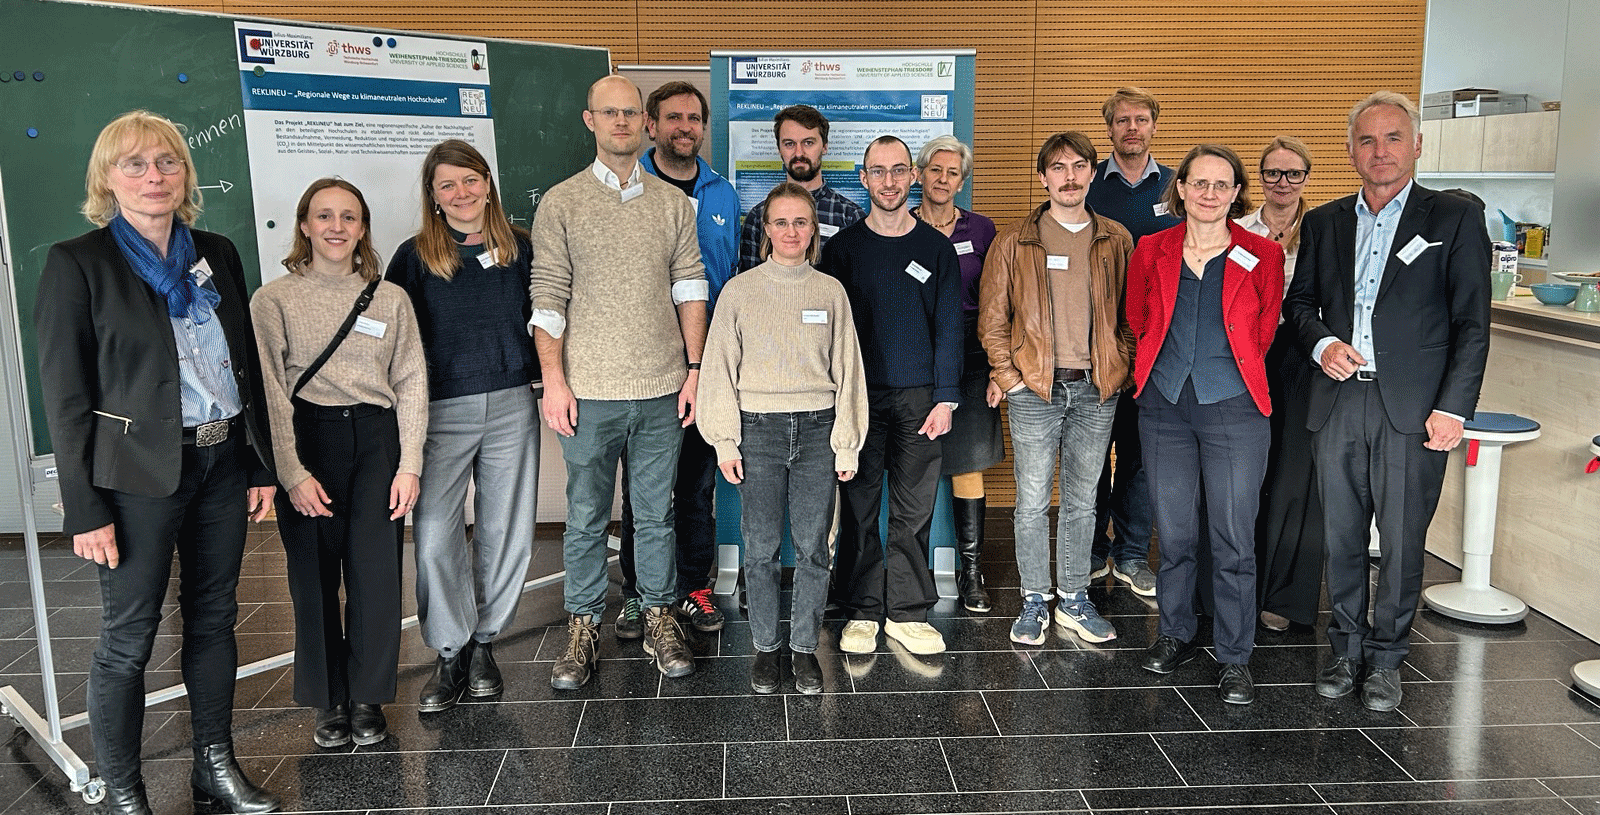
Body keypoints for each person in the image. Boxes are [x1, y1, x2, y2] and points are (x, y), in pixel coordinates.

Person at [34, 110, 281, 815]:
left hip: (221, 462)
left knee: (214, 619)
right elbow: (65, 396)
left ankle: (214, 767)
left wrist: (259, 462)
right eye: (135, 164)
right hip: (134, 478)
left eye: (168, 162)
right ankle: (124, 791)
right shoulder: (78, 263)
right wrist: (84, 507)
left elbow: (242, 363)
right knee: (129, 638)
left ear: (185, 174)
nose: (154, 176)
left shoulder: (217, 252)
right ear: (107, 179)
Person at [1285, 91, 1491, 712]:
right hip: (1338, 401)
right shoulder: (1323, 222)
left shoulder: (1453, 219)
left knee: (1402, 540)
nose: (1380, 151)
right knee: (1341, 535)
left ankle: (1386, 658)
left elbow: (1472, 323)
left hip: (1414, 409)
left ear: (1417, 145)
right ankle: (1345, 649)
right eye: (1367, 140)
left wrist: (1454, 407)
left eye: (1393, 137)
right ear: (1351, 151)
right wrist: (1322, 343)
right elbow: (1300, 305)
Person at [530, 75, 708, 689]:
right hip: (588, 392)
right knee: (585, 519)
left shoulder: (671, 204)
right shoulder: (561, 203)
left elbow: (690, 285)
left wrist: (694, 370)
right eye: (610, 113)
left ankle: (659, 616)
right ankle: (583, 628)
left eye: (631, 112)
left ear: (645, 123)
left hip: (662, 389)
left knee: (656, 515)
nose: (622, 122)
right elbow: (548, 297)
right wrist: (554, 380)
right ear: (591, 120)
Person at [253, 178, 427, 747]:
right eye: (324, 216)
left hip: (376, 441)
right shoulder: (272, 300)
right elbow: (270, 393)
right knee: (313, 578)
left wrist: (410, 464)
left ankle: (368, 695)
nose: (336, 227)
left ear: (362, 228)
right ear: (304, 226)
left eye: (348, 217)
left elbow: (411, 381)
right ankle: (328, 699)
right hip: (308, 439)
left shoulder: (390, 298)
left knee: (376, 576)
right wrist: (290, 472)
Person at [385, 139, 540, 713]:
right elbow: (396, 339)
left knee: (507, 530)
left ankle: (484, 645)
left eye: (470, 180)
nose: (461, 193)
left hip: (512, 404)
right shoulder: (413, 257)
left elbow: (549, 318)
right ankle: (449, 650)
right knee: (433, 535)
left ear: (488, 183)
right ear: (433, 195)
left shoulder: (522, 248)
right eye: (447, 185)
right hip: (438, 411)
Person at [1128, 144, 1284, 706]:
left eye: (1222, 184)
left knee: (1233, 537)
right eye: (1199, 183)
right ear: (1182, 188)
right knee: (1174, 534)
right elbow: (1137, 318)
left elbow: (1264, 329)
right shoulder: (1152, 249)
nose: (1209, 194)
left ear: (1237, 192)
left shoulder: (1262, 254)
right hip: (1164, 406)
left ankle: (1235, 655)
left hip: (1235, 408)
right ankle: (1175, 632)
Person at [698, 182, 868, 694]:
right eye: (781, 222)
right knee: (761, 548)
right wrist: (725, 441)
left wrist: (847, 441)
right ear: (766, 230)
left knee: (814, 547)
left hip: (818, 430)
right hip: (758, 431)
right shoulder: (739, 291)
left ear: (813, 229)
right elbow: (718, 369)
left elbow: (849, 369)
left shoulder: (830, 291)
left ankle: (803, 648)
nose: (791, 231)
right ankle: (767, 648)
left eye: (800, 222)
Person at [978, 131, 1135, 646]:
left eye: (1079, 166)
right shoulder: (1015, 240)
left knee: (1082, 502)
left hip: (1096, 391)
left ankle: (1072, 598)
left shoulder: (1116, 238)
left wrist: (1122, 370)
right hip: (1035, 392)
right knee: (1029, 502)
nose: (1070, 177)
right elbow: (993, 319)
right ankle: (1033, 599)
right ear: (1043, 177)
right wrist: (1010, 379)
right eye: (1059, 168)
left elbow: (1131, 316)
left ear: (1092, 173)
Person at [822, 135, 962, 656]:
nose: (888, 181)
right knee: (859, 506)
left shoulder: (936, 248)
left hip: (921, 400)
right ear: (863, 178)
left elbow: (950, 326)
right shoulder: (842, 250)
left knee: (914, 508)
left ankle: (907, 612)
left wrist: (946, 398)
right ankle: (861, 610)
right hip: (857, 399)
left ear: (913, 176)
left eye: (898, 170)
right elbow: (828, 332)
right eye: (877, 171)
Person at [612, 80, 742, 638]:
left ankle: (693, 588)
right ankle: (638, 594)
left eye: (693, 118)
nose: (684, 127)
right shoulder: (626, 186)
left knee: (695, 485)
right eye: (673, 118)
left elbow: (730, 277)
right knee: (641, 491)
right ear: (651, 124)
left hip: (705, 365)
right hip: (641, 363)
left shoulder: (723, 194)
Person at [1085, 87, 1181, 598]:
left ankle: (1131, 554)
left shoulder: (1177, 186)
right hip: (1095, 342)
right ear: (1110, 128)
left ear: (1154, 126)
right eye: (1122, 120)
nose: (1132, 128)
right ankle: (1091, 552)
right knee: (1092, 455)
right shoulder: (1087, 182)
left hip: (1156, 344)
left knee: (1141, 457)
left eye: (1141, 119)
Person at [910, 135, 1001, 613]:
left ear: (962, 181)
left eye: (953, 173)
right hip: (913, 351)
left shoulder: (982, 230)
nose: (943, 179)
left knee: (967, 461)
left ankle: (971, 571)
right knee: (915, 462)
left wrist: (998, 367)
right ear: (919, 174)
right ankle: (913, 573)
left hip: (970, 350)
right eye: (935, 169)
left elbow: (999, 300)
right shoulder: (901, 225)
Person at [1236, 136, 1321, 633]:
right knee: (1246, 473)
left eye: (1293, 173)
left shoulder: (1323, 230)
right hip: (1246, 352)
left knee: (1294, 477)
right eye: (1272, 173)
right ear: (1260, 177)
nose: (1282, 183)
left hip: (1301, 358)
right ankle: (1235, 586)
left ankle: (1282, 598)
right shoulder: (1238, 228)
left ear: (1306, 177)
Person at [738, 104, 865, 271]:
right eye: (789, 144)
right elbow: (749, 282)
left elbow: (858, 281)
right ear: (779, 149)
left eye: (808, 143)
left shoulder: (850, 216)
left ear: (824, 146)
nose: (799, 153)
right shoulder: (758, 217)